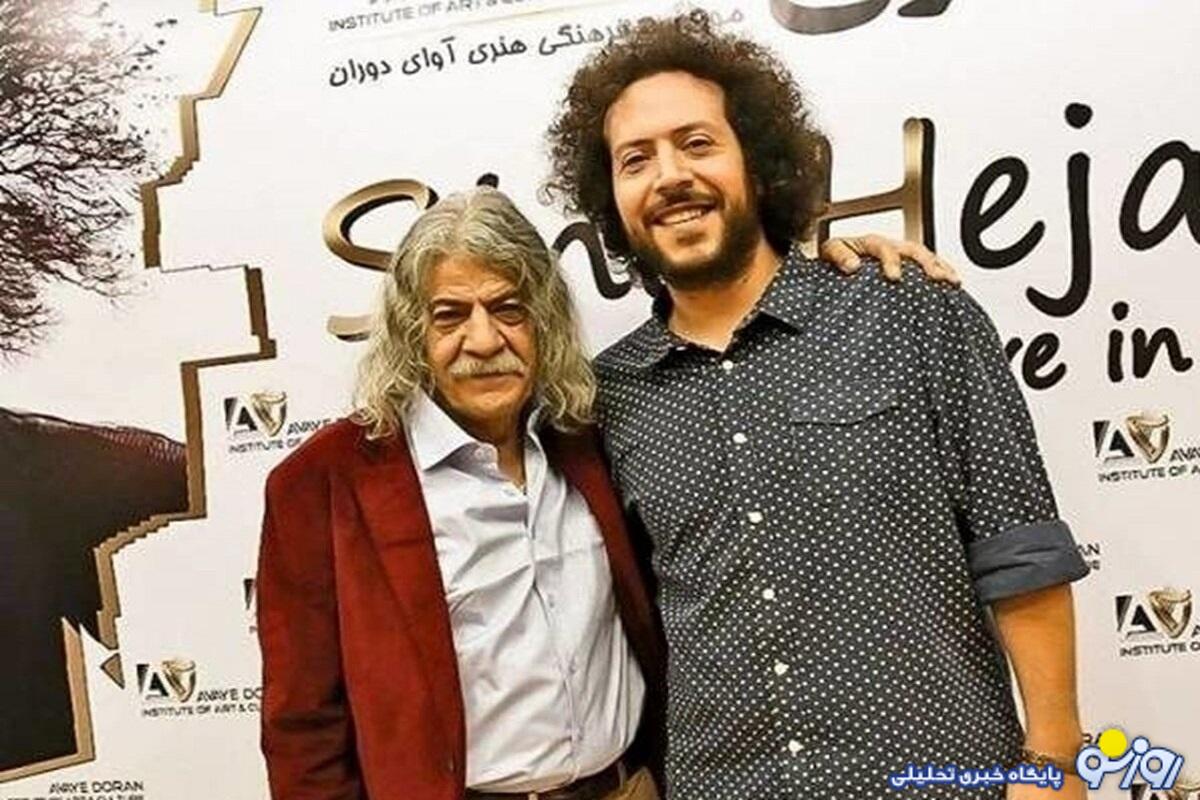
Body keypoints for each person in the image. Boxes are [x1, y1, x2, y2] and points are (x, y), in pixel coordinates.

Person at [255, 183, 954, 800]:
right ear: (411, 332)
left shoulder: (593, 434)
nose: (484, 340)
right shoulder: (324, 483)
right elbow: (303, 726)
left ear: (543, 319)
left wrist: (837, 273)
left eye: (508, 309)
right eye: (449, 315)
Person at [545, 12, 1091, 800]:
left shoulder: (909, 311)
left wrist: (1055, 761)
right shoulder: (610, 396)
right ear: (613, 200)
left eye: (697, 143)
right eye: (636, 159)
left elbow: (1021, 548)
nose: (669, 176)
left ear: (758, 163)